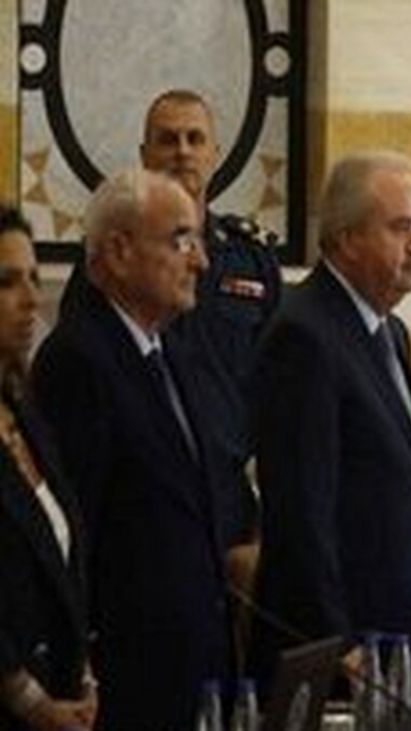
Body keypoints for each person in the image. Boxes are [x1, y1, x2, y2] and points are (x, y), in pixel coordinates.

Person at [31, 169, 232, 730]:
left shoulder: (171, 353)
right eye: (182, 240)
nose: (201, 262)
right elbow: (75, 536)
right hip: (127, 682)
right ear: (119, 252)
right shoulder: (78, 361)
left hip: (193, 670)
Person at [249, 151, 411, 678]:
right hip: (342, 656)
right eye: (399, 228)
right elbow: (301, 511)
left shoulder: (389, 331)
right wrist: (336, 641)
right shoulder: (303, 335)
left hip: (401, 637)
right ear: (347, 238)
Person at [61, 89, 281, 556]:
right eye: (167, 139)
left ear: (215, 154)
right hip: (144, 506)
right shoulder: (112, 259)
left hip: (230, 496)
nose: (182, 151)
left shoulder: (250, 257)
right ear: (145, 155)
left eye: (194, 139)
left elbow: (280, 388)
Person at [0, 208, 96, 731]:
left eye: (34, 279)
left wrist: (84, 675)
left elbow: (63, 554)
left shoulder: (25, 412)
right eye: (7, 282)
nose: (31, 300)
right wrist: (30, 701)